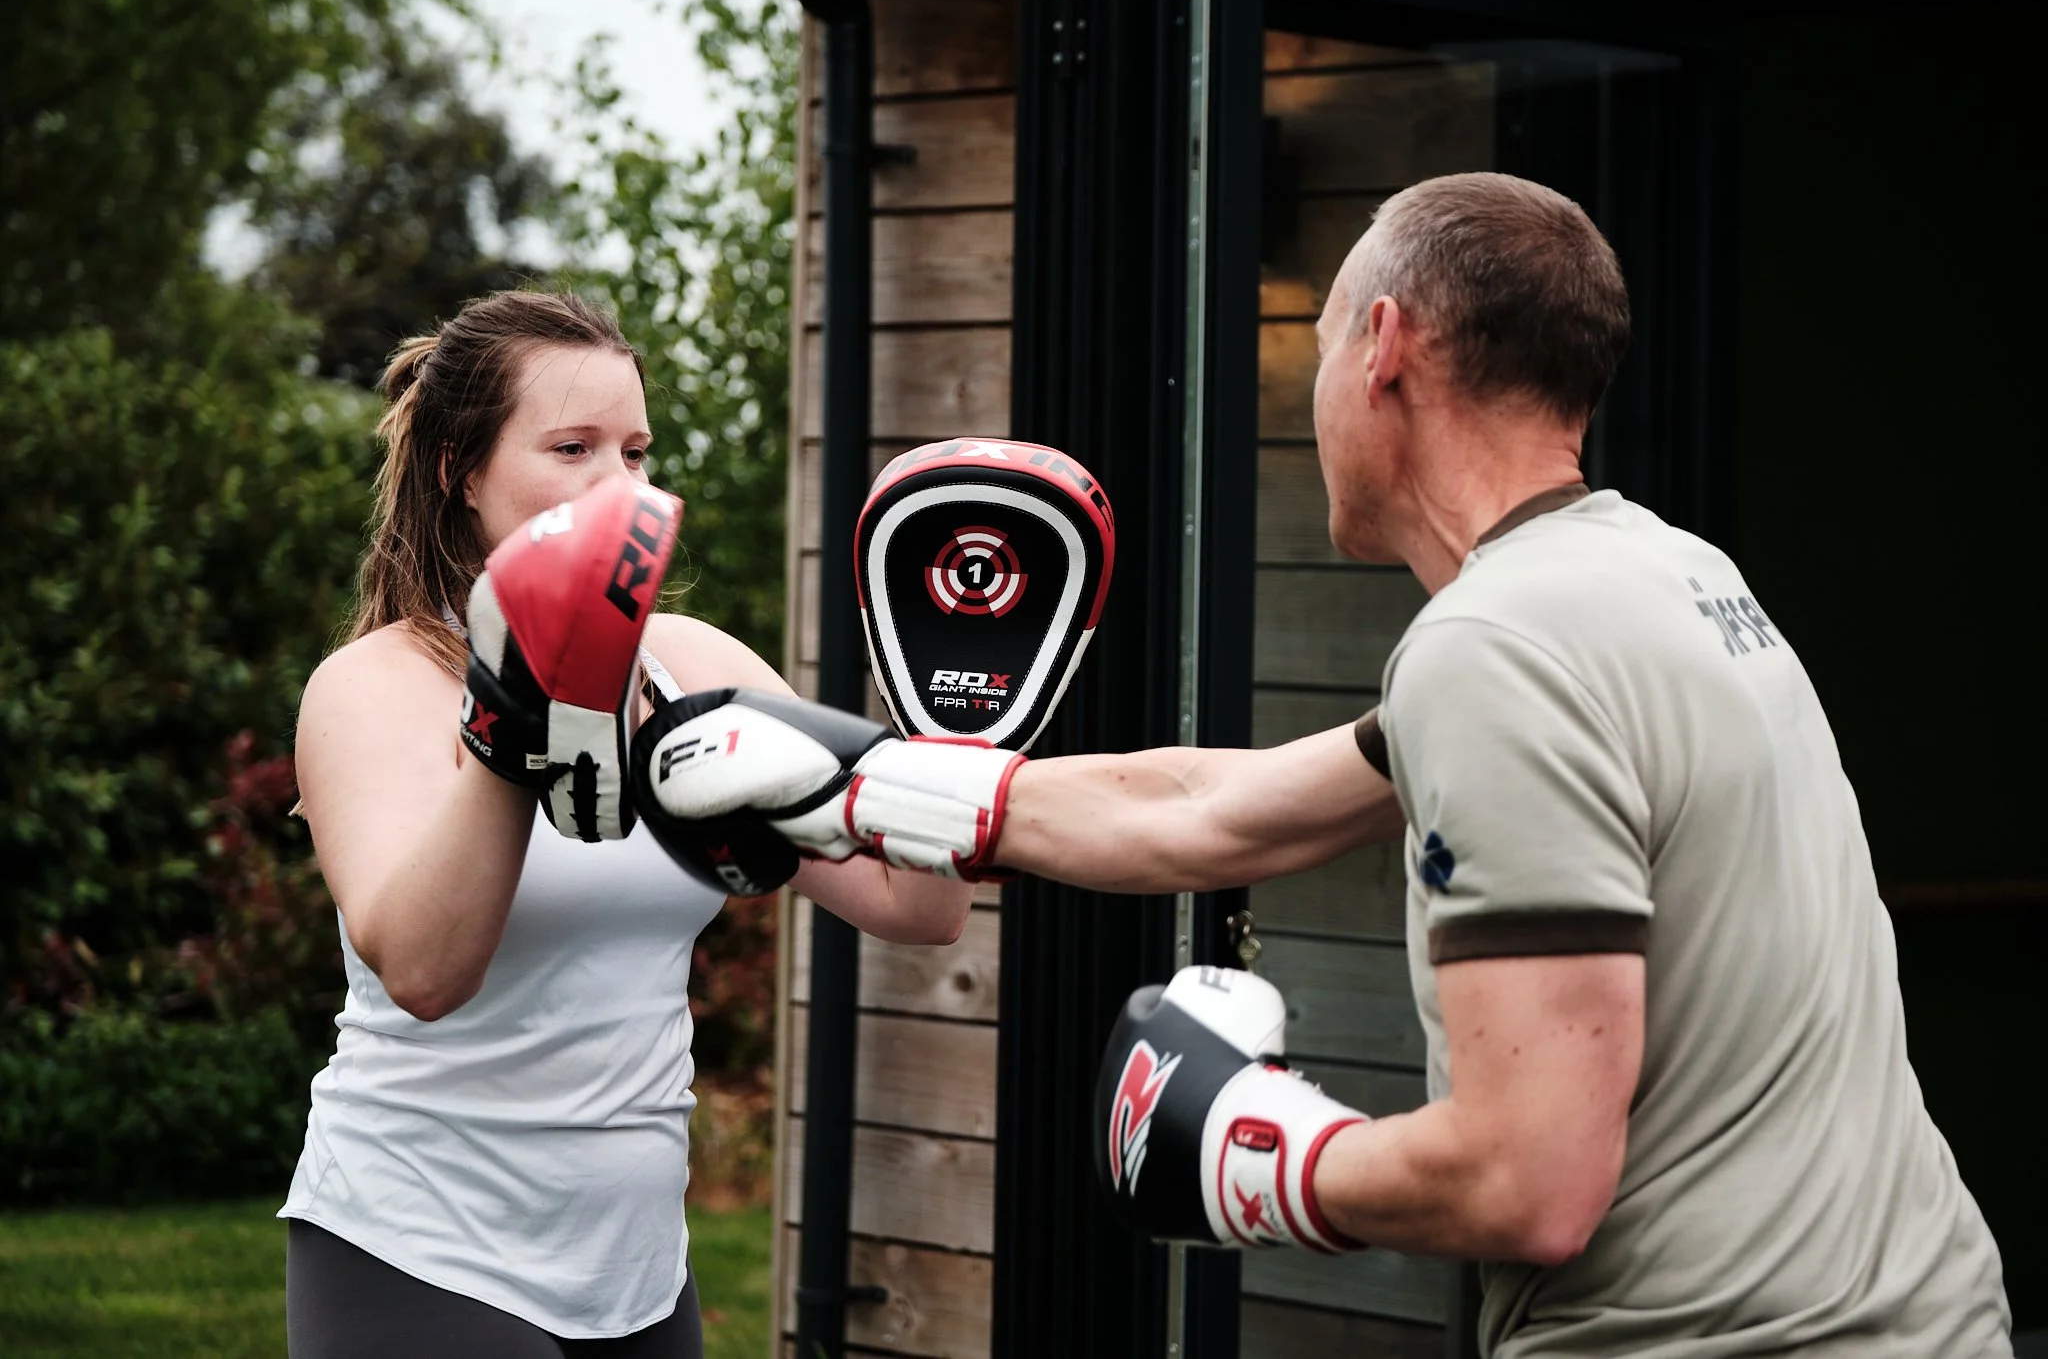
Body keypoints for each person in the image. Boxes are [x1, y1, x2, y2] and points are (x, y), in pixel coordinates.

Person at [637, 175, 2014, 1355]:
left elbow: (1530, 1181)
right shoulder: (1662, 573)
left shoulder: (1499, 642)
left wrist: (1253, 1144)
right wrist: (866, 788)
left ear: (1382, 346)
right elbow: (1215, 806)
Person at [282, 289, 971, 1359]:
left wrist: (942, 722)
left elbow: (914, 908)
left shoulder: (691, 666)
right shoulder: (367, 690)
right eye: (572, 448)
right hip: (418, 1245)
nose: (618, 484)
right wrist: (517, 720)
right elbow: (421, 972)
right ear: (458, 472)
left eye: (636, 452)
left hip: (638, 1273)